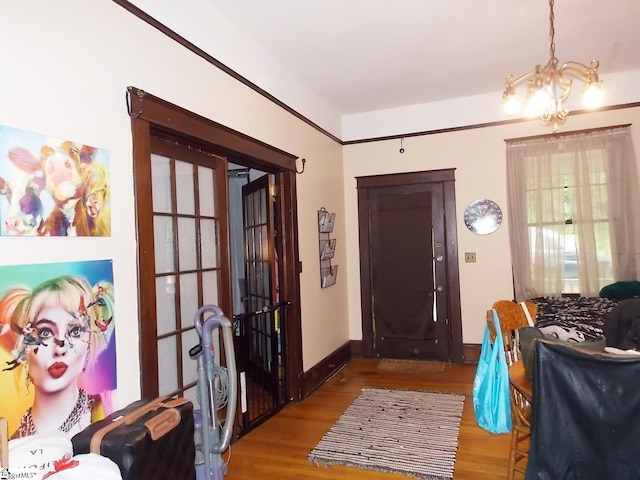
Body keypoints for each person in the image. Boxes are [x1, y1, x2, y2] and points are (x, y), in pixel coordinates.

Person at [1, 275, 114, 439]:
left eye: (75, 332)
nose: (60, 349)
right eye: (45, 333)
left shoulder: (113, 408)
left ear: (89, 344)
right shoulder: (11, 448)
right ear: (24, 348)